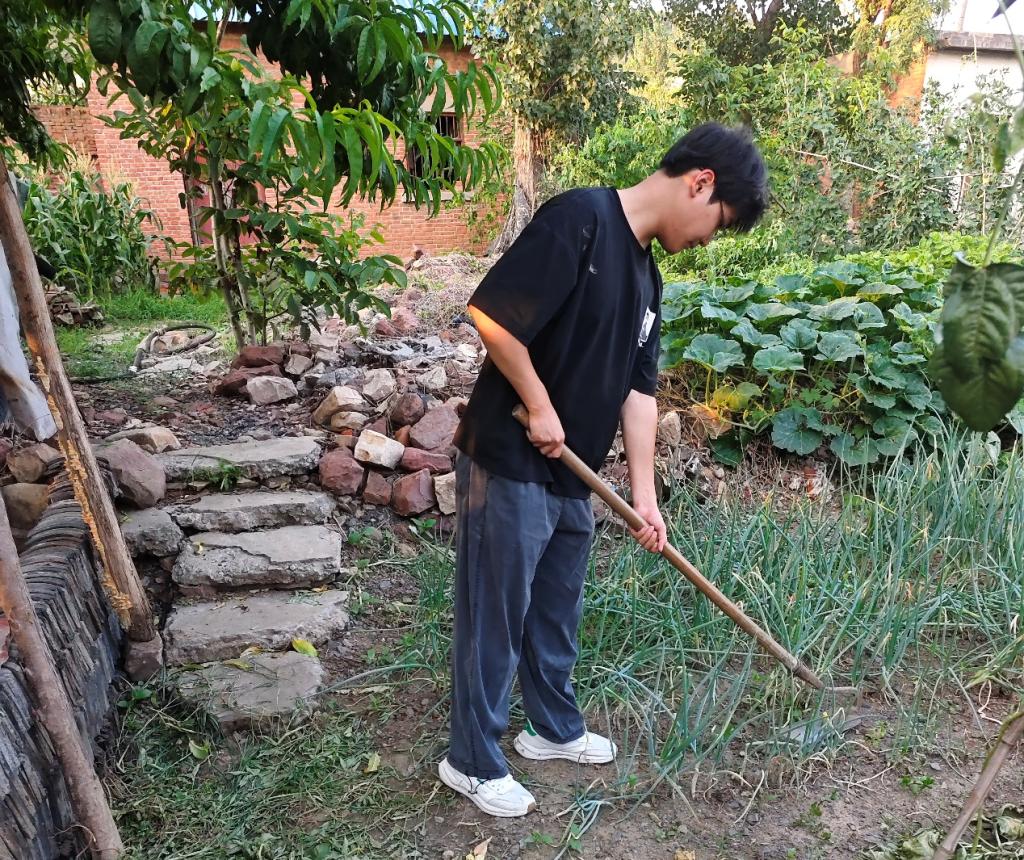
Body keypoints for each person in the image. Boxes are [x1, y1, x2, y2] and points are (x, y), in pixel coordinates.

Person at [439, 122, 768, 817]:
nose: (709, 240)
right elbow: (492, 316)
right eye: (719, 223)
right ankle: (470, 759)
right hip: (510, 458)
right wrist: (539, 404)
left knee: (556, 609)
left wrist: (645, 497)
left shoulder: (648, 276)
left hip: (573, 475)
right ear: (701, 183)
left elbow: (639, 393)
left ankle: (552, 729)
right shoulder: (580, 219)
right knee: (495, 614)